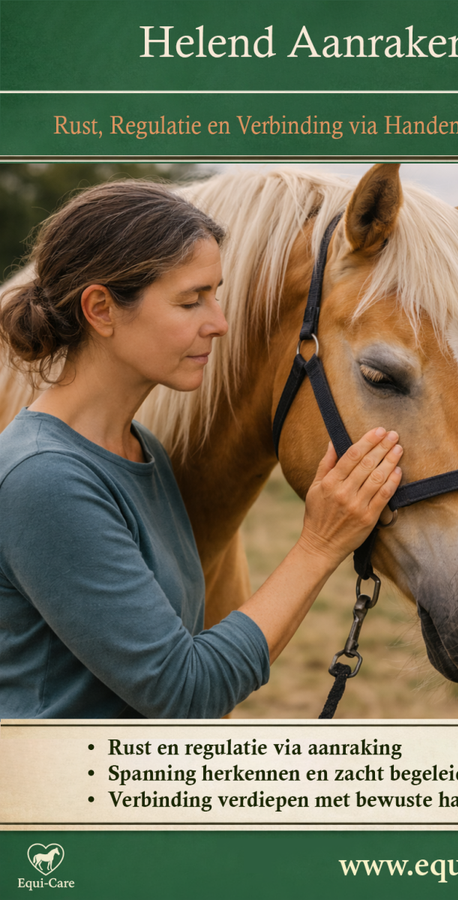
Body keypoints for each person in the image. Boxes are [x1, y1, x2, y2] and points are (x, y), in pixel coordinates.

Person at [0, 181, 402, 719]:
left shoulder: (142, 452)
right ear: (101, 309)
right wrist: (319, 545)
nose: (219, 323)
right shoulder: (44, 478)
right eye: (191, 300)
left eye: (216, 294)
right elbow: (185, 694)